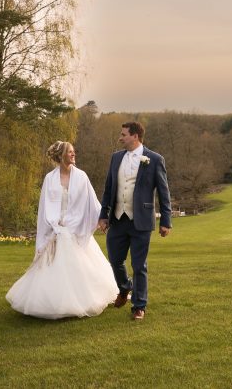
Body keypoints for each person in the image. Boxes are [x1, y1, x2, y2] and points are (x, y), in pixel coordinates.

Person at [6, 141, 118, 319]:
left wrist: (102, 219)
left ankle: (82, 300)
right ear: (61, 156)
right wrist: (48, 228)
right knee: (51, 266)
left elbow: (92, 202)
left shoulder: (81, 176)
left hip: (74, 228)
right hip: (55, 228)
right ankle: (49, 302)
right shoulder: (50, 178)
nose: (73, 154)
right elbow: (44, 207)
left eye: (74, 151)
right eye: (70, 152)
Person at [97, 121, 172, 321]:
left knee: (139, 265)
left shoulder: (154, 159)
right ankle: (124, 288)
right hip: (118, 219)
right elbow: (108, 188)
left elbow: (164, 193)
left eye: (123, 134)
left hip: (141, 220)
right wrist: (104, 215)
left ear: (135, 136)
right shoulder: (115, 158)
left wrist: (166, 220)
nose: (120, 138)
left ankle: (139, 305)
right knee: (115, 260)